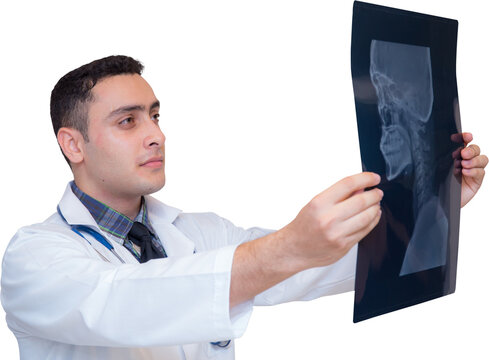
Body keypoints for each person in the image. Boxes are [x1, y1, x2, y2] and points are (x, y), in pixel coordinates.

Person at [1, 55, 486, 360]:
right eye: (127, 121)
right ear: (73, 144)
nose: (156, 134)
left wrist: (437, 205)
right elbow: (120, 300)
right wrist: (286, 248)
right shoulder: (34, 259)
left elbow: (318, 265)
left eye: (154, 115)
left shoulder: (201, 233)